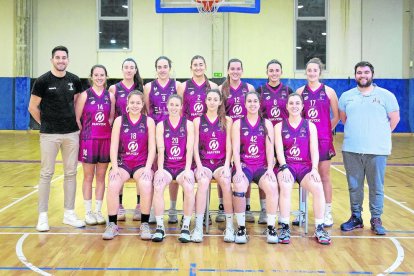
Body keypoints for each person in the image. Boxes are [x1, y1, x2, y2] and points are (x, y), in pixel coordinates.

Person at [28, 45, 85, 231]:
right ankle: (42, 216)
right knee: (46, 174)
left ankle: (69, 213)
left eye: (64, 57)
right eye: (58, 57)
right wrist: (45, 124)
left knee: (71, 173)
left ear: (68, 60)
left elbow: (78, 101)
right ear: (52, 59)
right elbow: (32, 107)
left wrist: (76, 121)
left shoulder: (74, 80)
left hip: (71, 133)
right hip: (49, 134)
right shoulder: (42, 81)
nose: (61, 60)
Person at [339, 61, 400, 235]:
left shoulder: (386, 96)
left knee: (376, 186)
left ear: (372, 74)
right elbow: (345, 119)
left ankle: (376, 218)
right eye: (359, 72)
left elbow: (394, 120)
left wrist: (378, 135)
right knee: (354, 186)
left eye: (366, 72)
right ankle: (356, 217)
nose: (363, 75)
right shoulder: (346, 96)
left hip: (377, 151)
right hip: (351, 149)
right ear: (355, 75)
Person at [275, 93, 331, 245]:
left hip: (305, 167)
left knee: (318, 188)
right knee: (285, 186)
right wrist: (284, 167)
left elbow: (314, 150)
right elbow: (279, 150)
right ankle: (285, 226)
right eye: (291, 103)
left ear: (302, 106)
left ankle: (319, 227)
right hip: (287, 166)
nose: (294, 106)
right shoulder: (279, 126)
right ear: (286, 106)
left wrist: (314, 169)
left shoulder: (310, 125)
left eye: (297, 103)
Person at [102, 91, 155, 240]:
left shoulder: (148, 121)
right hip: (123, 163)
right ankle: (112, 224)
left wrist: (148, 167)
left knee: (145, 184)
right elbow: (113, 147)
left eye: (138, 103)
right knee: (113, 184)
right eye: (132, 103)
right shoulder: (120, 120)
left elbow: (152, 148)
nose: (135, 106)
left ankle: (144, 224)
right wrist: (115, 167)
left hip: (141, 163)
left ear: (142, 104)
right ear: (127, 104)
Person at [296, 58, 339, 227]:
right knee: (303, 176)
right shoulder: (300, 92)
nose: (312, 73)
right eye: (309, 70)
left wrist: (326, 131)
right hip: (304, 141)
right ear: (306, 72)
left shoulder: (329, 92)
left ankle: (327, 212)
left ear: (320, 72)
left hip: (323, 140)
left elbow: (336, 116)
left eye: (315, 70)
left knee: (324, 176)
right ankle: (302, 211)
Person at [232, 91, 279, 244]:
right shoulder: (238, 123)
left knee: (272, 186)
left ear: (259, 104)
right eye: (249, 101)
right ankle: (241, 227)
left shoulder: (266, 123)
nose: (252, 104)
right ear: (245, 104)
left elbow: (270, 149)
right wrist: (238, 170)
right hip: (244, 166)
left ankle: (271, 227)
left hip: (261, 166)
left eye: (255, 101)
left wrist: (271, 169)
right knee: (239, 185)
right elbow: (235, 150)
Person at [217, 58, 257, 224]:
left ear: (242, 70)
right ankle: (221, 206)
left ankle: (246, 206)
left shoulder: (249, 88)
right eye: (232, 68)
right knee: (224, 168)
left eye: (238, 69)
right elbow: (219, 113)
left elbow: (254, 110)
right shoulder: (221, 89)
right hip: (225, 132)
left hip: (245, 132)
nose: (235, 71)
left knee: (244, 167)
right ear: (227, 70)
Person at [191, 89, 234, 243]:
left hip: (221, 162)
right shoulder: (197, 121)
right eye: (209, 99)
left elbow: (229, 146)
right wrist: (200, 166)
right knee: (202, 183)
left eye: (215, 99)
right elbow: (195, 147)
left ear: (220, 102)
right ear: (205, 101)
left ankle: (230, 226)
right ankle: (198, 227)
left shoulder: (227, 120)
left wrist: (227, 166)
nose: (212, 102)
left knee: (226, 182)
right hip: (204, 162)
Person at [152, 94, 195, 243]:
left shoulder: (188, 124)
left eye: (177, 105)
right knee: (157, 185)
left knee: (189, 187)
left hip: (183, 166)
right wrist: (161, 170)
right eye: (172, 105)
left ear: (181, 107)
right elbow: (161, 149)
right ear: (167, 106)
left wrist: (189, 169)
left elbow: (189, 149)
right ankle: (159, 227)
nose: (174, 108)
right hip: (168, 166)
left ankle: (185, 226)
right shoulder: (160, 125)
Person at [75, 65, 115, 225]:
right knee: (88, 177)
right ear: (91, 77)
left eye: (102, 75)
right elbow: (77, 119)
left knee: (101, 177)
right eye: (96, 75)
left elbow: (111, 118)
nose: (99, 77)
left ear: (106, 76)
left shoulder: (110, 96)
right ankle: (88, 212)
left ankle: (98, 211)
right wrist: (85, 135)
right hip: (89, 141)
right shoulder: (85, 95)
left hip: (105, 140)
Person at [256, 59, 294, 225]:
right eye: (271, 70)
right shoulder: (260, 90)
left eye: (277, 70)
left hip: (284, 137)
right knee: (266, 173)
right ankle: (265, 209)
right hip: (265, 137)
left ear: (281, 72)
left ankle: (281, 209)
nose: (274, 73)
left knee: (283, 173)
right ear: (267, 73)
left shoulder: (288, 91)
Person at [144, 56, 180, 224]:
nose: (162, 69)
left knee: (173, 168)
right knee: (154, 170)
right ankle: (152, 208)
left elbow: (181, 109)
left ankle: (172, 208)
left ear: (170, 68)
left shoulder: (177, 86)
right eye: (159, 66)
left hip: (173, 132)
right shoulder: (148, 87)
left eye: (165, 66)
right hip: (155, 131)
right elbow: (146, 110)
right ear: (156, 69)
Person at [109, 58, 144, 222]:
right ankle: (120, 206)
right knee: (118, 170)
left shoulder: (140, 88)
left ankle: (139, 205)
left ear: (136, 70)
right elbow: (111, 113)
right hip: (121, 131)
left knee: (140, 165)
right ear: (122, 69)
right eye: (126, 67)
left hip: (138, 131)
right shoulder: (114, 88)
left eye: (132, 68)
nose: (129, 70)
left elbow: (146, 110)